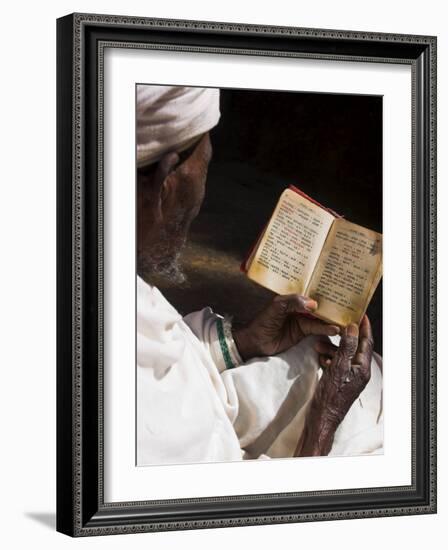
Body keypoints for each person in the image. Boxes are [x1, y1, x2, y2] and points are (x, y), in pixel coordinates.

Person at [136, 85, 383, 466]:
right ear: (166, 177)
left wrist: (246, 340)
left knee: (309, 360)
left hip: (212, 403)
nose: (203, 186)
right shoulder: (153, 428)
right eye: (205, 159)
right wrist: (324, 422)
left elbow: (167, 355)